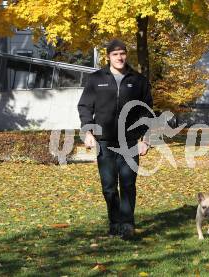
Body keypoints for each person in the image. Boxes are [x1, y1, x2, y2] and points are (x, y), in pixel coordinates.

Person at [78, 39, 153, 239]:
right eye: (115, 54)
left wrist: (145, 138)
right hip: (105, 142)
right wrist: (87, 131)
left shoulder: (138, 80)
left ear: (126, 55)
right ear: (108, 56)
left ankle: (127, 224)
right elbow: (85, 106)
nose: (119, 57)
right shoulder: (96, 79)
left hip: (130, 142)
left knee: (128, 184)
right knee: (109, 187)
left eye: (122, 53)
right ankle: (114, 222)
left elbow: (146, 112)